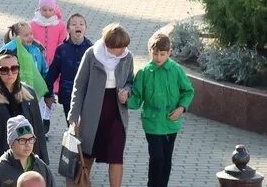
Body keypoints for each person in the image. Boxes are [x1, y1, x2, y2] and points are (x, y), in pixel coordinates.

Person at [68, 24, 135, 187]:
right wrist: (74, 115)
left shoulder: (127, 56)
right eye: (118, 48)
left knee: (116, 155)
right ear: (108, 45)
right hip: (93, 112)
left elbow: (131, 81)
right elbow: (79, 85)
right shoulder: (92, 54)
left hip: (117, 111)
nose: (122, 51)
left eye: (124, 47)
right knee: (87, 154)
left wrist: (126, 91)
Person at [128, 32, 194, 187]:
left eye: (162, 54)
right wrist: (125, 100)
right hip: (152, 123)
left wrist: (182, 108)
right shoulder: (144, 72)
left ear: (169, 52)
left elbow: (188, 91)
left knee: (166, 158)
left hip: (171, 122)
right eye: (155, 53)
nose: (158, 58)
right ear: (149, 51)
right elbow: (137, 97)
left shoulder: (176, 70)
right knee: (157, 157)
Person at [0, 116, 54, 187]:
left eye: (31, 139)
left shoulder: (41, 168)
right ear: (11, 143)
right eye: (22, 140)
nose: (28, 144)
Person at [44, 13, 91, 121]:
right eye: (74, 24)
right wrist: (48, 94)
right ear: (68, 29)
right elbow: (53, 72)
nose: (78, 26)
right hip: (67, 94)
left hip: (87, 95)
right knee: (72, 125)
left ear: (86, 29)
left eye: (81, 24)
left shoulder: (91, 49)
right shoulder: (62, 49)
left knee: (86, 126)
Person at [29, 0, 67, 90]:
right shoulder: (32, 25)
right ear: (39, 9)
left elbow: (63, 44)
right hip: (36, 61)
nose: (47, 13)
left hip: (54, 61)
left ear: (55, 9)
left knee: (52, 86)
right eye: (44, 10)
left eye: (50, 10)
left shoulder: (60, 26)